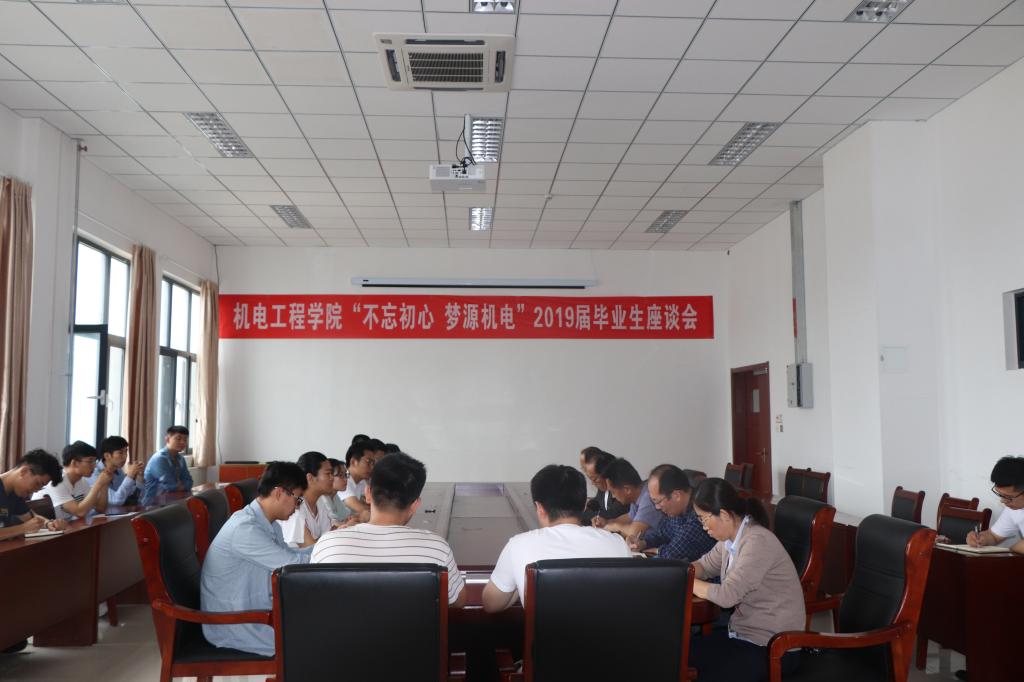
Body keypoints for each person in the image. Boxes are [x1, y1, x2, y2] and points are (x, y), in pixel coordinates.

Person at [311, 452, 466, 608]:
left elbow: (313, 598)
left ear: (368, 493)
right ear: (415, 505)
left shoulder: (327, 544)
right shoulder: (436, 548)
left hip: (345, 624)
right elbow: (458, 601)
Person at [689, 478, 803, 682]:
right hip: (743, 636)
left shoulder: (757, 541)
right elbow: (705, 566)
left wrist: (688, 582)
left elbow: (727, 596)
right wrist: (680, 572)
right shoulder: (730, 540)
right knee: (680, 653)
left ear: (724, 515)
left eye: (704, 519)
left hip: (773, 648)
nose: (703, 526)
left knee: (700, 671)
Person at [482, 464, 631, 613]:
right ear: (585, 505)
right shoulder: (617, 543)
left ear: (539, 508)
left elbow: (491, 604)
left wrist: (517, 576)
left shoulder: (518, 545)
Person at [200, 461, 312, 657]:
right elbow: (293, 567)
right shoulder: (245, 529)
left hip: (255, 609)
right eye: (298, 499)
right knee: (318, 635)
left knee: (322, 619)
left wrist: (328, 544)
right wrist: (330, 551)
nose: (297, 506)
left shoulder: (267, 522)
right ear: (279, 493)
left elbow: (291, 557)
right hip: (236, 622)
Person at [630, 464, 716, 562]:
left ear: (676, 495)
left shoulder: (699, 514)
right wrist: (643, 543)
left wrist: (659, 551)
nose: (657, 507)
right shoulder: (677, 510)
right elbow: (662, 533)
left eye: (658, 502)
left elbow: (671, 554)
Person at [1, 450, 69, 541]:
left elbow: (31, 518)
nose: (36, 490)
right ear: (24, 471)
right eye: (37, 483)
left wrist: (49, 524)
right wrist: (22, 528)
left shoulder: (15, 494)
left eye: (41, 487)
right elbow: (26, 526)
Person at [34, 441, 110, 520]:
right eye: (90, 461)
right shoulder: (57, 482)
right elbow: (80, 512)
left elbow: (100, 508)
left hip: (65, 525)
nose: (95, 466)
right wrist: (98, 484)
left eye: (95, 461)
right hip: (44, 526)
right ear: (74, 463)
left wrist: (104, 484)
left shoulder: (82, 481)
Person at [594, 457, 666, 539]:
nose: (613, 496)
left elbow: (634, 533)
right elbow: (630, 517)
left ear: (627, 489)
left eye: (613, 492)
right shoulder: (638, 493)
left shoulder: (648, 497)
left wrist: (615, 526)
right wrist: (607, 522)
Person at [967, 456, 1024, 554]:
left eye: (1009, 497)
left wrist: (1012, 550)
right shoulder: (1013, 509)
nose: (1003, 501)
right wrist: (981, 538)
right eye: (1000, 495)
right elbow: (994, 536)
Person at [278, 451, 335, 548]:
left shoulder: (320, 501)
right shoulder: (294, 505)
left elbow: (327, 535)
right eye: (328, 473)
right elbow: (311, 549)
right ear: (310, 478)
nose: (332, 478)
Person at [86, 436, 143, 507]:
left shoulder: (118, 470)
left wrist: (135, 476)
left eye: (126, 451)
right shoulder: (93, 473)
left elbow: (129, 493)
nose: (125, 456)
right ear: (107, 456)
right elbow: (115, 500)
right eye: (120, 453)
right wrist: (130, 476)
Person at [142, 425, 193, 503]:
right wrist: (181, 485)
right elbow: (170, 486)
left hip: (173, 500)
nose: (182, 442)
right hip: (153, 503)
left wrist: (180, 486)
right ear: (167, 439)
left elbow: (189, 481)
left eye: (185, 439)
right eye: (178, 439)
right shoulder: (159, 458)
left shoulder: (180, 458)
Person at [581, 449, 629, 525]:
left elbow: (612, 515)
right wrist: (589, 505)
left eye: (595, 479)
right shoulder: (602, 487)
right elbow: (597, 503)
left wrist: (582, 514)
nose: (593, 483)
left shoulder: (621, 489)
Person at [339, 440, 376, 522]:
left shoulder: (362, 482)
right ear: (353, 462)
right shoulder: (344, 480)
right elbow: (362, 509)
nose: (372, 467)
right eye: (368, 462)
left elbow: (371, 505)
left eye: (373, 463)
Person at [322, 457, 354, 526]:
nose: (345, 479)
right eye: (341, 475)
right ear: (329, 476)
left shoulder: (335, 496)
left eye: (346, 475)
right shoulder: (321, 498)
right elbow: (333, 524)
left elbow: (347, 516)